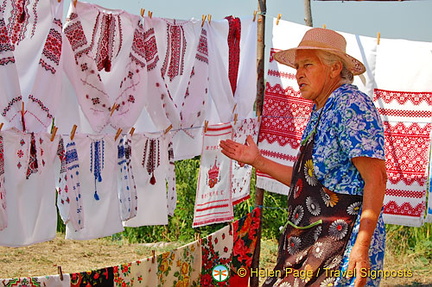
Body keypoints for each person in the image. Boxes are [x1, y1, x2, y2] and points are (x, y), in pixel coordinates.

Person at [220, 28, 387, 287]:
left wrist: (362, 246)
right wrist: (258, 161)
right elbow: (308, 183)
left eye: (308, 65)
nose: (298, 73)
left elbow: (376, 176)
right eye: (297, 67)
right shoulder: (321, 108)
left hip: (340, 244)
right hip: (310, 240)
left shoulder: (351, 105)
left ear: (334, 69)